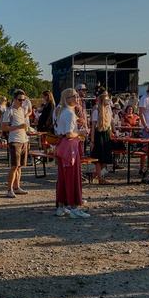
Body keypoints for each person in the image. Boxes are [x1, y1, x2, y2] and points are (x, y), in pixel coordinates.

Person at [53, 89, 89, 218]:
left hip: (63, 147)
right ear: (68, 99)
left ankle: (61, 206)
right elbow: (69, 134)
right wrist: (80, 133)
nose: (78, 97)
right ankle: (74, 208)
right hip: (70, 148)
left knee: (63, 178)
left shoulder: (62, 111)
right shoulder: (69, 113)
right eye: (75, 95)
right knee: (73, 177)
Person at [1, 89, 31, 197]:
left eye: (23, 100)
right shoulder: (9, 111)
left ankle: (17, 187)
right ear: (14, 99)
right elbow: (3, 127)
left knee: (19, 167)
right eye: (20, 100)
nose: (22, 102)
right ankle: (9, 189)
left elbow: (24, 125)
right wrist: (18, 127)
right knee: (14, 166)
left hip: (23, 139)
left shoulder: (22, 110)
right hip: (15, 141)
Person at [90, 91, 114, 184]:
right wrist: (92, 141)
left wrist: (113, 132)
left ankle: (95, 174)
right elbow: (93, 127)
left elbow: (111, 122)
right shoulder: (97, 111)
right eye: (107, 99)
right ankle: (100, 179)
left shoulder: (108, 110)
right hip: (99, 134)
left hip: (106, 133)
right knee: (99, 158)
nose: (108, 101)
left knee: (106, 158)